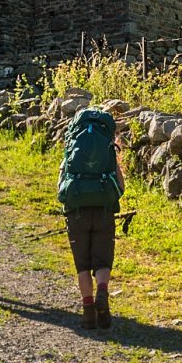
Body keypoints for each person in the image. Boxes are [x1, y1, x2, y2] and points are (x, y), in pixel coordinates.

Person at [58, 107, 123, 328]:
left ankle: (87, 312)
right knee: (103, 260)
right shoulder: (108, 149)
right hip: (104, 209)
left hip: (77, 211)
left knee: (83, 264)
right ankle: (102, 292)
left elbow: (61, 188)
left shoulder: (71, 148)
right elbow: (120, 187)